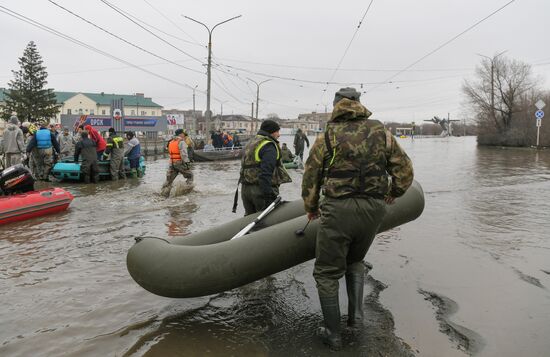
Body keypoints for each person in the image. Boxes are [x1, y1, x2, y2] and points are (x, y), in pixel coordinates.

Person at [301, 87, 414, 350]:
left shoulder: (326, 136)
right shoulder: (381, 132)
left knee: (327, 272)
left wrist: (311, 207)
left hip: (338, 209)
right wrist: (393, 193)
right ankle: (356, 320)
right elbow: (405, 170)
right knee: (356, 260)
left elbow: (311, 176)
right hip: (374, 209)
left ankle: (332, 333)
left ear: (335, 106)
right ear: (359, 104)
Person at [239, 119, 292, 216]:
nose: (279, 135)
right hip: (260, 191)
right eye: (277, 131)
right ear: (271, 132)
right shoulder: (269, 146)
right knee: (267, 223)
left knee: (249, 221)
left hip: (245, 190)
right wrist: (268, 197)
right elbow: (266, 172)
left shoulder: (251, 142)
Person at [160, 129, 193, 197]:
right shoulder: (181, 142)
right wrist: (187, 163)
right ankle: (186, 191)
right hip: (179, 163)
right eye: (183, 133)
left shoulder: (171, 142)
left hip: (172, 163)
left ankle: (163, 193)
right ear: (180, 134)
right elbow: (183, 154)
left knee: (169, 180)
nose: (184, 135)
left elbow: (170, 153)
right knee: (190, 175)